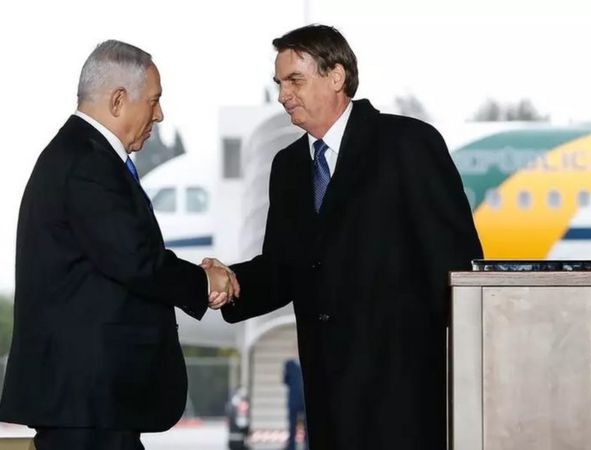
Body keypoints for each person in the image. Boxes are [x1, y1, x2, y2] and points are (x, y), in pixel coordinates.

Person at [205, 24, 483, 450]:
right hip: (328, 397)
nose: (283, 95)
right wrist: (229, 283)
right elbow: (282, 269)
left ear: (336, 76)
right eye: (279, 83)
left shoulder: (408, 144)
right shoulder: (288, 167)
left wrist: (456, 374)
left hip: (404, 398)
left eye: (294, 80)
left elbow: (456, 266)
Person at [0, 40, 236, 450]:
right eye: (154, 100)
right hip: (87, 405)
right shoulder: (86, 164)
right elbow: (136, 259)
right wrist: (204, 282)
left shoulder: (81, 156)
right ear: (118, 100)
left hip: (93, 404)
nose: (159, 114)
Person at [282, 358, 305, 450]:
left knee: (307, 425)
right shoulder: (289, 364)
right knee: (292, 425)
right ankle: (291, 447)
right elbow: (285, 380)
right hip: (293, 400)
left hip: (303, 401)